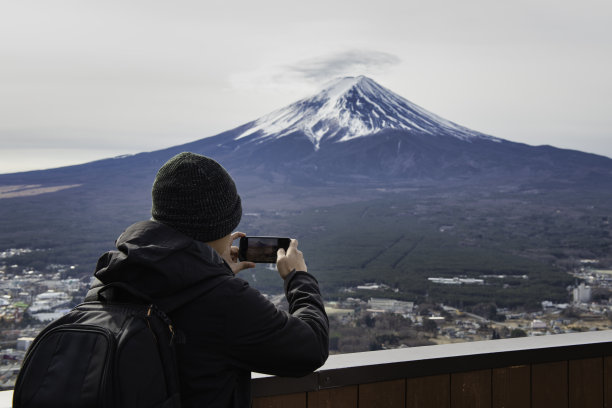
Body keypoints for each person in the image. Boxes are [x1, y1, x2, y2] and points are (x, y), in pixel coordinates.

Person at [86, 152, 329, 407]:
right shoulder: (224, 301)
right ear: (221, 227)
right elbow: (311, 347)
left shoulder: (111, 278)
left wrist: (213, 273)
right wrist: (298, 277)